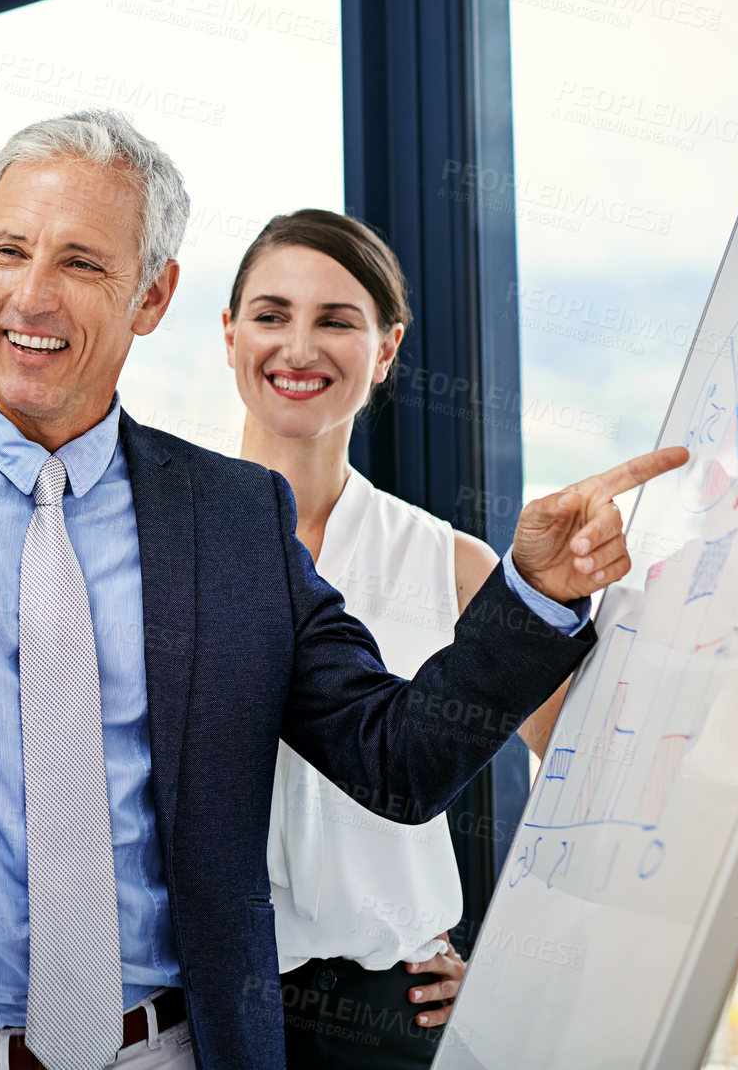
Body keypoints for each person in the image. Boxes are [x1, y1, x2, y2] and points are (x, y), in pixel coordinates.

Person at [0, 108, 686, 1070]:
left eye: (81, 263)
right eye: (9, 251)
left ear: (152, 294)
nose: (32, 297)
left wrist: (534, 591)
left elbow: (397, 759)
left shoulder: (231, 518)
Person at [222, 208, 566, 1068]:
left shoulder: (453, 564)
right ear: (229, 336)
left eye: (337, 320)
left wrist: (512, 958)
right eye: (271, 315)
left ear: (385, 348)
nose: (298, 347)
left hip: (388, 1017)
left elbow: (586, 779)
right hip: (197, 1002)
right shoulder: (155, 537)